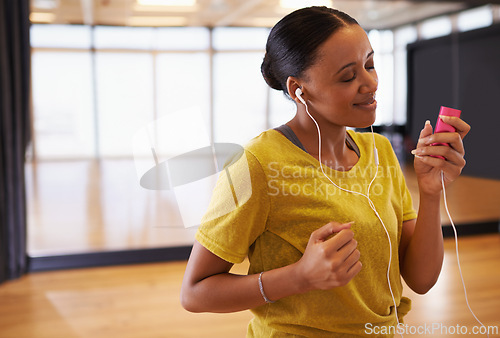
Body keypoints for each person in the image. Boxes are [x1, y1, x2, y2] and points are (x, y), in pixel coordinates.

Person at [180, 6, 470, 337]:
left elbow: (421, 280)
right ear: (297, 89)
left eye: (370, 65)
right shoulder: (256, 163)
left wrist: (431, 193)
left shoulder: (381, 153)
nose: (370, 83)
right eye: (348, 76)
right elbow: (194, 292)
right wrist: (299, 276)